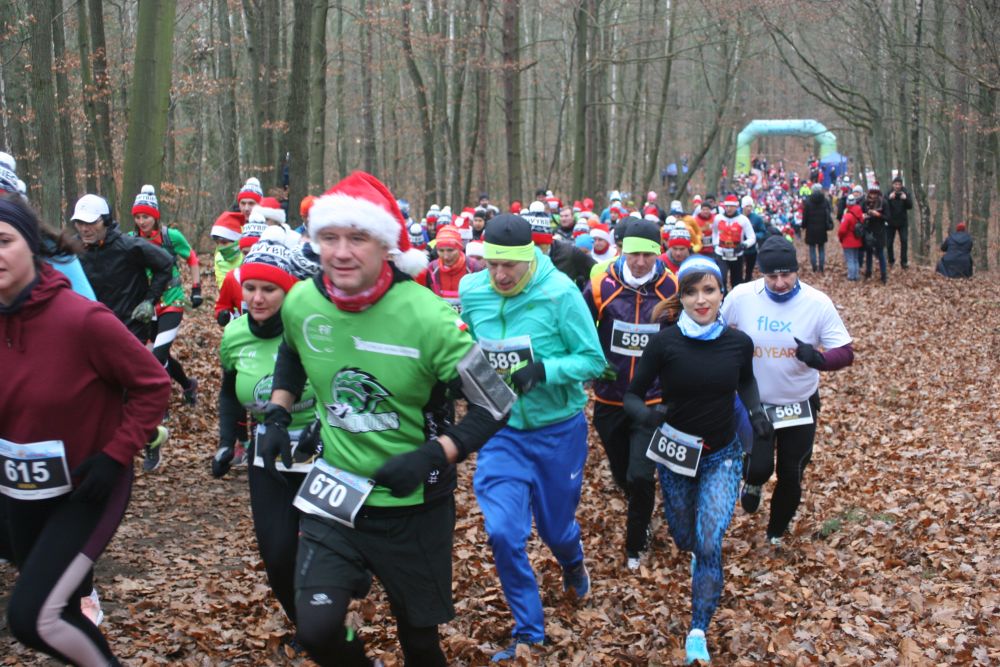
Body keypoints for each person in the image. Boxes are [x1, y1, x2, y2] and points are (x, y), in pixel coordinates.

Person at [261, 171, 512, 667]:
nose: (341, 253)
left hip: (414, 506)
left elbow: (496, 403)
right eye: (329, 237)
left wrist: (433, 454)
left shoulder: (430, 318)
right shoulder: (302, 300)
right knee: (317, 631)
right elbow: (292, 349)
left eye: (358, 238)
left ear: (386, 246)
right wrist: (277, 410)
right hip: (336, 494)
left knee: (419, 643)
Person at [0, 194, 170, 666]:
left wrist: (116, 454)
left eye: (3, 241)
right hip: (20, 489)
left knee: (34, 618)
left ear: (31, 245)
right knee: (57, 610)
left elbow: (153, 384)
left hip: (88, 487)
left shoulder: (80, 318)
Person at [459, 214, 606, 661]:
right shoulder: (472, 291)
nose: (500, 275)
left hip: (558, 429)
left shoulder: (560, 293)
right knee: (503, 532)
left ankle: (572, 561)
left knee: (555, 529)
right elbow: (467, 347)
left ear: (532, 257)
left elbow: (594, 361)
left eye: (510, 265)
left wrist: (545, 370)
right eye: (492, 264)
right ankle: (528, 630)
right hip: (501, 429)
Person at [623, 255, 771, 666]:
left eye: (709, 290)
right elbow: (632, 394)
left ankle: (698, 631)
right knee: (686, 538)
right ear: (681, 297)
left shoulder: (738, 343)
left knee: (709, 543)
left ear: (722, 293)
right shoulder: (664, 343)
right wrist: (646, 416)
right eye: (691, 292)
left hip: (722, 455)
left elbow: (745, 380)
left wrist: (756, 412)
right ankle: (697, 557)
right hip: (675, 456)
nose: (701, 300)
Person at [214, 228, 320, 630]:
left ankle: (325, 618)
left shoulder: (312, 329)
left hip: (322, 448)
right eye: (250, 288)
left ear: (288, 291)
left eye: (269, 290)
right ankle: (304, 624)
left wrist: (324, 427)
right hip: (268, 451)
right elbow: (229, 392)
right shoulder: (234, 335)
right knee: (276, 553)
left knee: (322, 547)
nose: (257, 298)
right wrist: (228, 442)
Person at [721, 237, 854, 546]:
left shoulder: (817, 303)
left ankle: (775, 532)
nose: (780, 283)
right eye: (772, 276)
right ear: (760, 272)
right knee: (759, 467)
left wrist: (818, 359)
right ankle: (753, 483)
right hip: (756, 402)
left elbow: (845, 352)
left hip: (799, 402)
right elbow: (716, 329)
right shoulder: (742, 296)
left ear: (796, 270)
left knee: (791, 473)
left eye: (786, 274)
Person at [583, 220, 677, 570]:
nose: (640, 262)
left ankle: (637, 542)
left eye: (648, 255)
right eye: (633, 254)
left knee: (640, 475)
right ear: (621, 250)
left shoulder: (673, 286)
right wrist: (595, 361)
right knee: (622, 473)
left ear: (658, 254)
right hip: (610, 397)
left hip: (652, 398)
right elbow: (581, 328)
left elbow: (683, 335)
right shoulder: (599, 284)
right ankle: (638, 501)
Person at [72, 193, 174, 472]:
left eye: (91, 223)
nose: (84, 229)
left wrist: (149, 300)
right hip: (92, 329)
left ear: (105, 221)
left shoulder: (129, 246)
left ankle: (148, 438)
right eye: (80, 223)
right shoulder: (74, 251)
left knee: (127, 389)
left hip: (129, 327)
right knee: (96, 392)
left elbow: (166, 264)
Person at [131, 185, 202, 407]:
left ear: (155, 216)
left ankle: (159, 403)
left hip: (173, 299)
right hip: (148, 305)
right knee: (159, 355)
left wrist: (196, 288)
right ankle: (188, 385)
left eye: (146, 216)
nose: (142, 221)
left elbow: (192, 258)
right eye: (138, 217)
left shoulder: (171, 237)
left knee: (158, 354)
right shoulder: (131, 239)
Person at [419, 224, 484, 311]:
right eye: (441, 250)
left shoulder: (474, 268)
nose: (446, 256)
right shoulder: (432, 269)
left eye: (450, 250)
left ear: (459, 248)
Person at [713, 194, 755, 291]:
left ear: (736, 207)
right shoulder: (718, 218)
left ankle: (735, 297)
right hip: (721, 254)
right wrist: (715, 245)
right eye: (727, 206)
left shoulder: (743, 219)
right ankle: (723, 297)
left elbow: (752, 237)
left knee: (736, 281)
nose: (729, 209)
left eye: (731, 206)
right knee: (721, 278)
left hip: (737, 254)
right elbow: (714, 232)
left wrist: (744, 245)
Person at [801, 183, 833, 273]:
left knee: (812, 249)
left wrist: (803, 226)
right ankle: (821, 267)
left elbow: (805, 216)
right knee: (821, 248)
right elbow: (829, 213)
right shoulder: (825, 201)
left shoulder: (808, 202)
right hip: (822, 229)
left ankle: (814, 267)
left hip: (810, 230)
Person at [862, 187, 888, 284]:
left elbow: (888, 217)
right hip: (868, 230)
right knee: (868, 253)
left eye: (875, 193)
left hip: (880, 231)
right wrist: (864, 216)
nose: (873, 196)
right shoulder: (865, 202)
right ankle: (868, 272)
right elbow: (861, 212)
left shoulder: (883, 202)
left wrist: (879, 215)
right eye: (871, 193)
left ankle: (883, 275)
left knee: (880, 253)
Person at [885, 176, 912, 269]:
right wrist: (889, 198)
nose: (897, 186)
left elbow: (910, 206)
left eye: (899, 184)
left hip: (902, 222)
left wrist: (905, 199)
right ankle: (891, 261)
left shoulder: (905, 192)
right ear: (893, 185)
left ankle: (904, 262)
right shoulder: (888, 192)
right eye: (896, 184)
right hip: (890, 222)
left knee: (904, 241)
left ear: (901, 185)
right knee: (889, 243)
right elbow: (884, 205)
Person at [837, 194, 864, 281]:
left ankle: (851, 277)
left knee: (850, 259)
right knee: (855, 259)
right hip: (857, 240)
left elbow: (842, 230)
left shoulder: (847, 216)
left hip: (848, 241)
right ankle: (856, 275)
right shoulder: (859, 214)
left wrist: (841, 238)